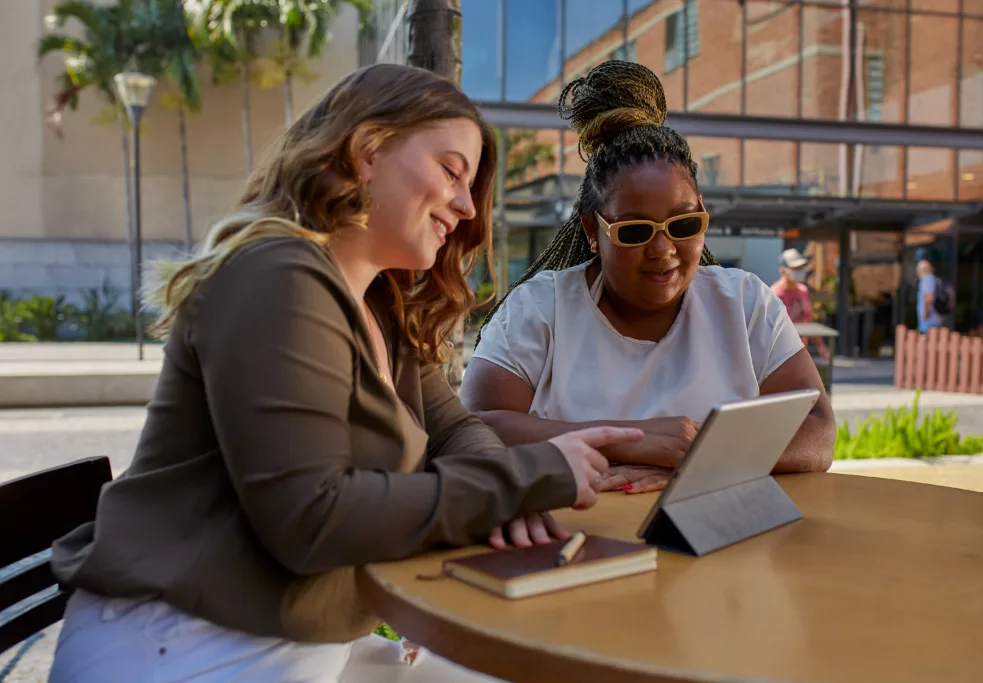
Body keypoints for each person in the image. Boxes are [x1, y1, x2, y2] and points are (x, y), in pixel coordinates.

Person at [47, 63, 643, 683]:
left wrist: (507, 495)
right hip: (183, 644)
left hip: (296, 636)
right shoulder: (275, 278)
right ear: (368, 150)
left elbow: (454, 430)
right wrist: (523, 478)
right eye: (451, 171)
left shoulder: (378, 305)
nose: (468, 207)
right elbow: (310, 518)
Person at [462, 61, 835, 535]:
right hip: (575, 543)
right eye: (635, 231)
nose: (663, 250)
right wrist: (626, 442)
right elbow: (475, 427)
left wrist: (694, 461)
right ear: (593, 230)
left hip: (717, 544)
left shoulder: (745, 304)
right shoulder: (540, 309)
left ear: (702, 213)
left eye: (684, 225)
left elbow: (817, 427)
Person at [771, 248, 830, 363]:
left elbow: (808, 320)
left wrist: (821, 346)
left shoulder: (803, 291)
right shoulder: (774, 294)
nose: (799, 271)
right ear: (783, 270)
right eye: (795, 268)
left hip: (801, 352)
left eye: (800, 267)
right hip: (780, 356)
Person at [916, 258, 949, 334]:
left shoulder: (928, 279)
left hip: (929, 320)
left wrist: (925, 315)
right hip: (933, 319)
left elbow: (929, 298)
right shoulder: (933, 279)